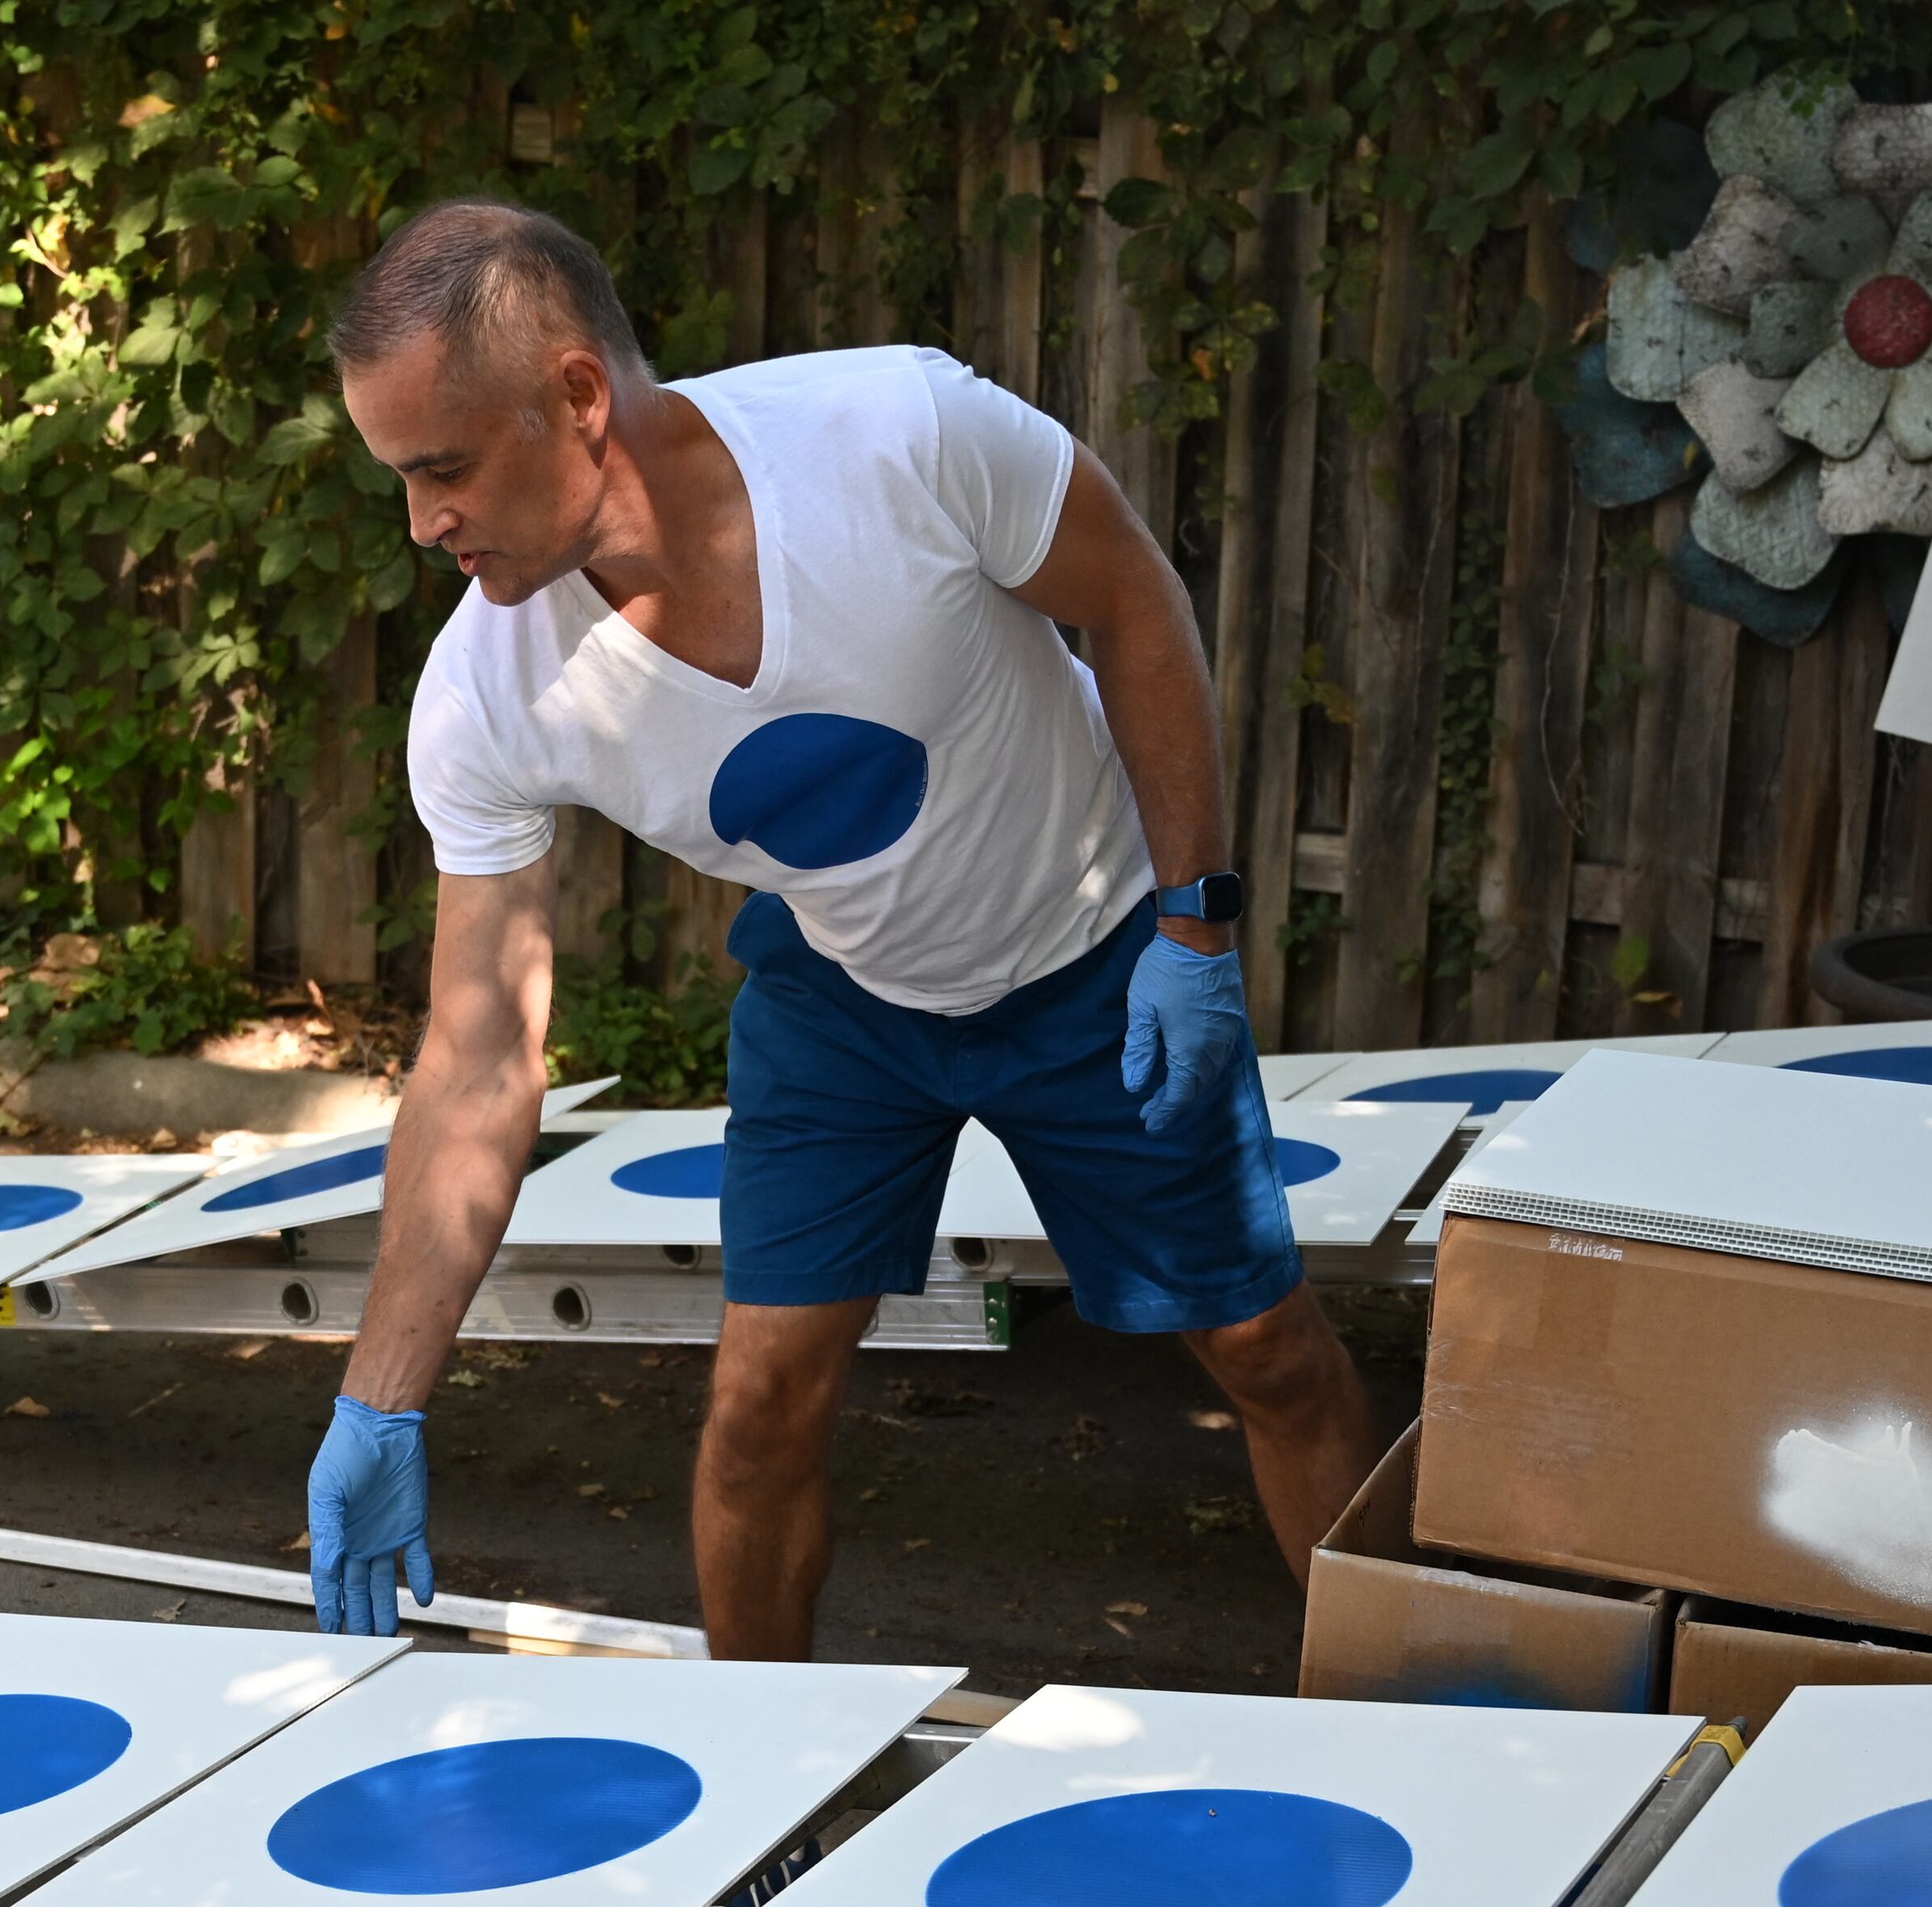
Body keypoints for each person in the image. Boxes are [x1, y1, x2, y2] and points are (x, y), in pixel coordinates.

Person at [300, 197, 1378, 1651]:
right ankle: (764, 1797)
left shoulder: (899, 438)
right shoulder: (486, 691)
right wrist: (379, 1397)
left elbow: (1132, 601)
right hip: (845, 994)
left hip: (1097, 949)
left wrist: (1194, 925)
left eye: (442, 471)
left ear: (576, 397)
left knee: (1268, 1352)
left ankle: (1423, 1712)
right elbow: (481, 1058)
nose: (421, 524)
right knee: (757, 1404)